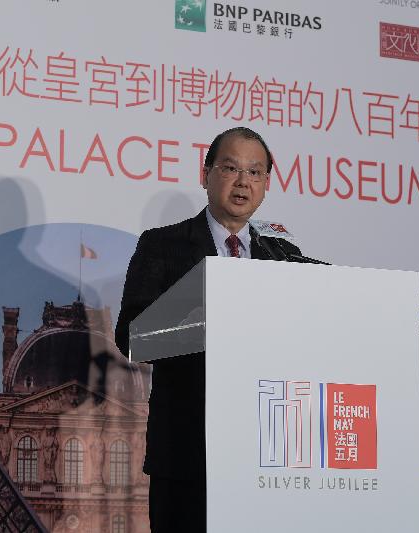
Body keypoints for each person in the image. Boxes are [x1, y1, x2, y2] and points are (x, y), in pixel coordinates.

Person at [115, 127, 301, 533]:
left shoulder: (283, 255)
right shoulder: (162, 245)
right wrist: (214, 308)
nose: (243, 182)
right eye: (231, 168)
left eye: (255, 173)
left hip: (265, 453)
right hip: (186, 451)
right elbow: (132, 337)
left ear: (267, 185)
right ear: (206, 174)